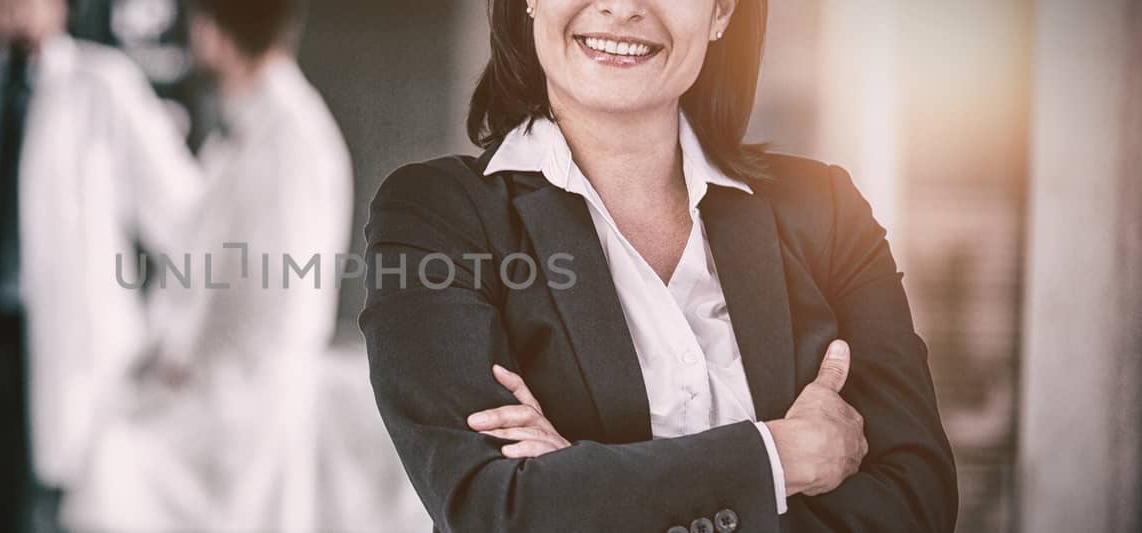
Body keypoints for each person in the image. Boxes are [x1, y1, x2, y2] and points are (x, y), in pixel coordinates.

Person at [361, 1, 958, 532]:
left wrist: (587, 486)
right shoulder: (436, 216)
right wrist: (778, 457)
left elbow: (917, 500)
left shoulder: (825, 210)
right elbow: (491, 510)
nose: (621, 8)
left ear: (722, 12)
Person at [0, 0, 205, 530]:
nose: (15, 11)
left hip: (53, 338)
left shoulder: (105, 86)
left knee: (32, 506)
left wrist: (174, 331)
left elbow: (188, 224)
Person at [71, 0, 351, 529]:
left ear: (220, 35)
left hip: (241, 403)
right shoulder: (251, 124)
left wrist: (195, 365)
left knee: (116, 475)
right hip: (218, 392)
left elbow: (280, 293)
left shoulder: (291, 139)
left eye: (200, 24)